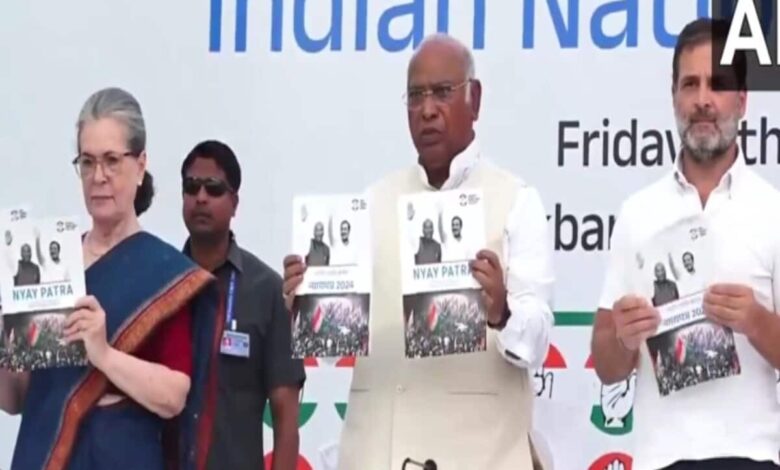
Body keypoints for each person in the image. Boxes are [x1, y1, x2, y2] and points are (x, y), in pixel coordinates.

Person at [283, 33, 554, 470]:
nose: (427, 109)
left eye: (443, 92)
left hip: (480, 456)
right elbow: (331, 349)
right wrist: (306, 308)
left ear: (475, 99)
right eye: (415, 96)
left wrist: (502, 312)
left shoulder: (516, 200)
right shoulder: (371, 203)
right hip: (379, 453)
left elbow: (537, 340)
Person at [591, 18, 780, 470]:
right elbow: (607, 365)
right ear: (673, 96)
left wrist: (756, 321)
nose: (702, 100)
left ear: (742, 100)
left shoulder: (772, 211)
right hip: (662, 458)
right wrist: (623, 337)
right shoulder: (637, 214)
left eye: (718, 84)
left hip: (750, 456)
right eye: (690, 84)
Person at [0, 87, 219, 469]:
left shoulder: (161, 271)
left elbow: (174, 396)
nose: (98, 176)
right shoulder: (52, 266)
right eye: (87, 162)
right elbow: (15, 400)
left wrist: (103, 354)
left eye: (112, 160)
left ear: (140, 164)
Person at [180, 139, 305, 470]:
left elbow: (286, 419)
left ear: (234, 203)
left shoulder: (267, 292)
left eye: (213, 188)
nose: (201, 197)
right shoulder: (161, 285)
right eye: (191, 187)